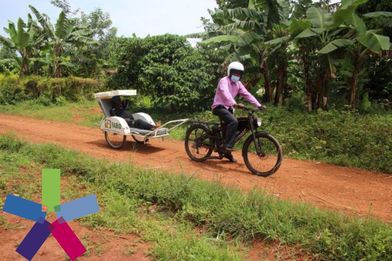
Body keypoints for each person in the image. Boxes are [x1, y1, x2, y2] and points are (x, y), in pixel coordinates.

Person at [212, 61, 265, 162]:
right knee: (233, 121)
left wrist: (259, 105)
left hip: (229, 108)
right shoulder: (224, 81)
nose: (237, 75)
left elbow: (247, 94)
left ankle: (225, 151)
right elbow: (226, 94)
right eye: (235, 73)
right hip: (219, 107)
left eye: (239, 74)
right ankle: (227, 146)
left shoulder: (238, 84)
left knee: (237, 127)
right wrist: (234, 103)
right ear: (230, 72)